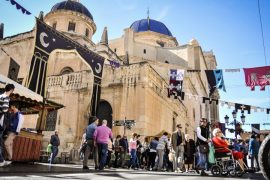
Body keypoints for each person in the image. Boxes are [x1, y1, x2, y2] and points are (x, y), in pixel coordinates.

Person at [0, 84, 15, 167]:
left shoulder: (0, 95)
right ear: (11, 90)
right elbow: (5, 109)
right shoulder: (6, 97)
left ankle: (1, 160)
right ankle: (1, 160)